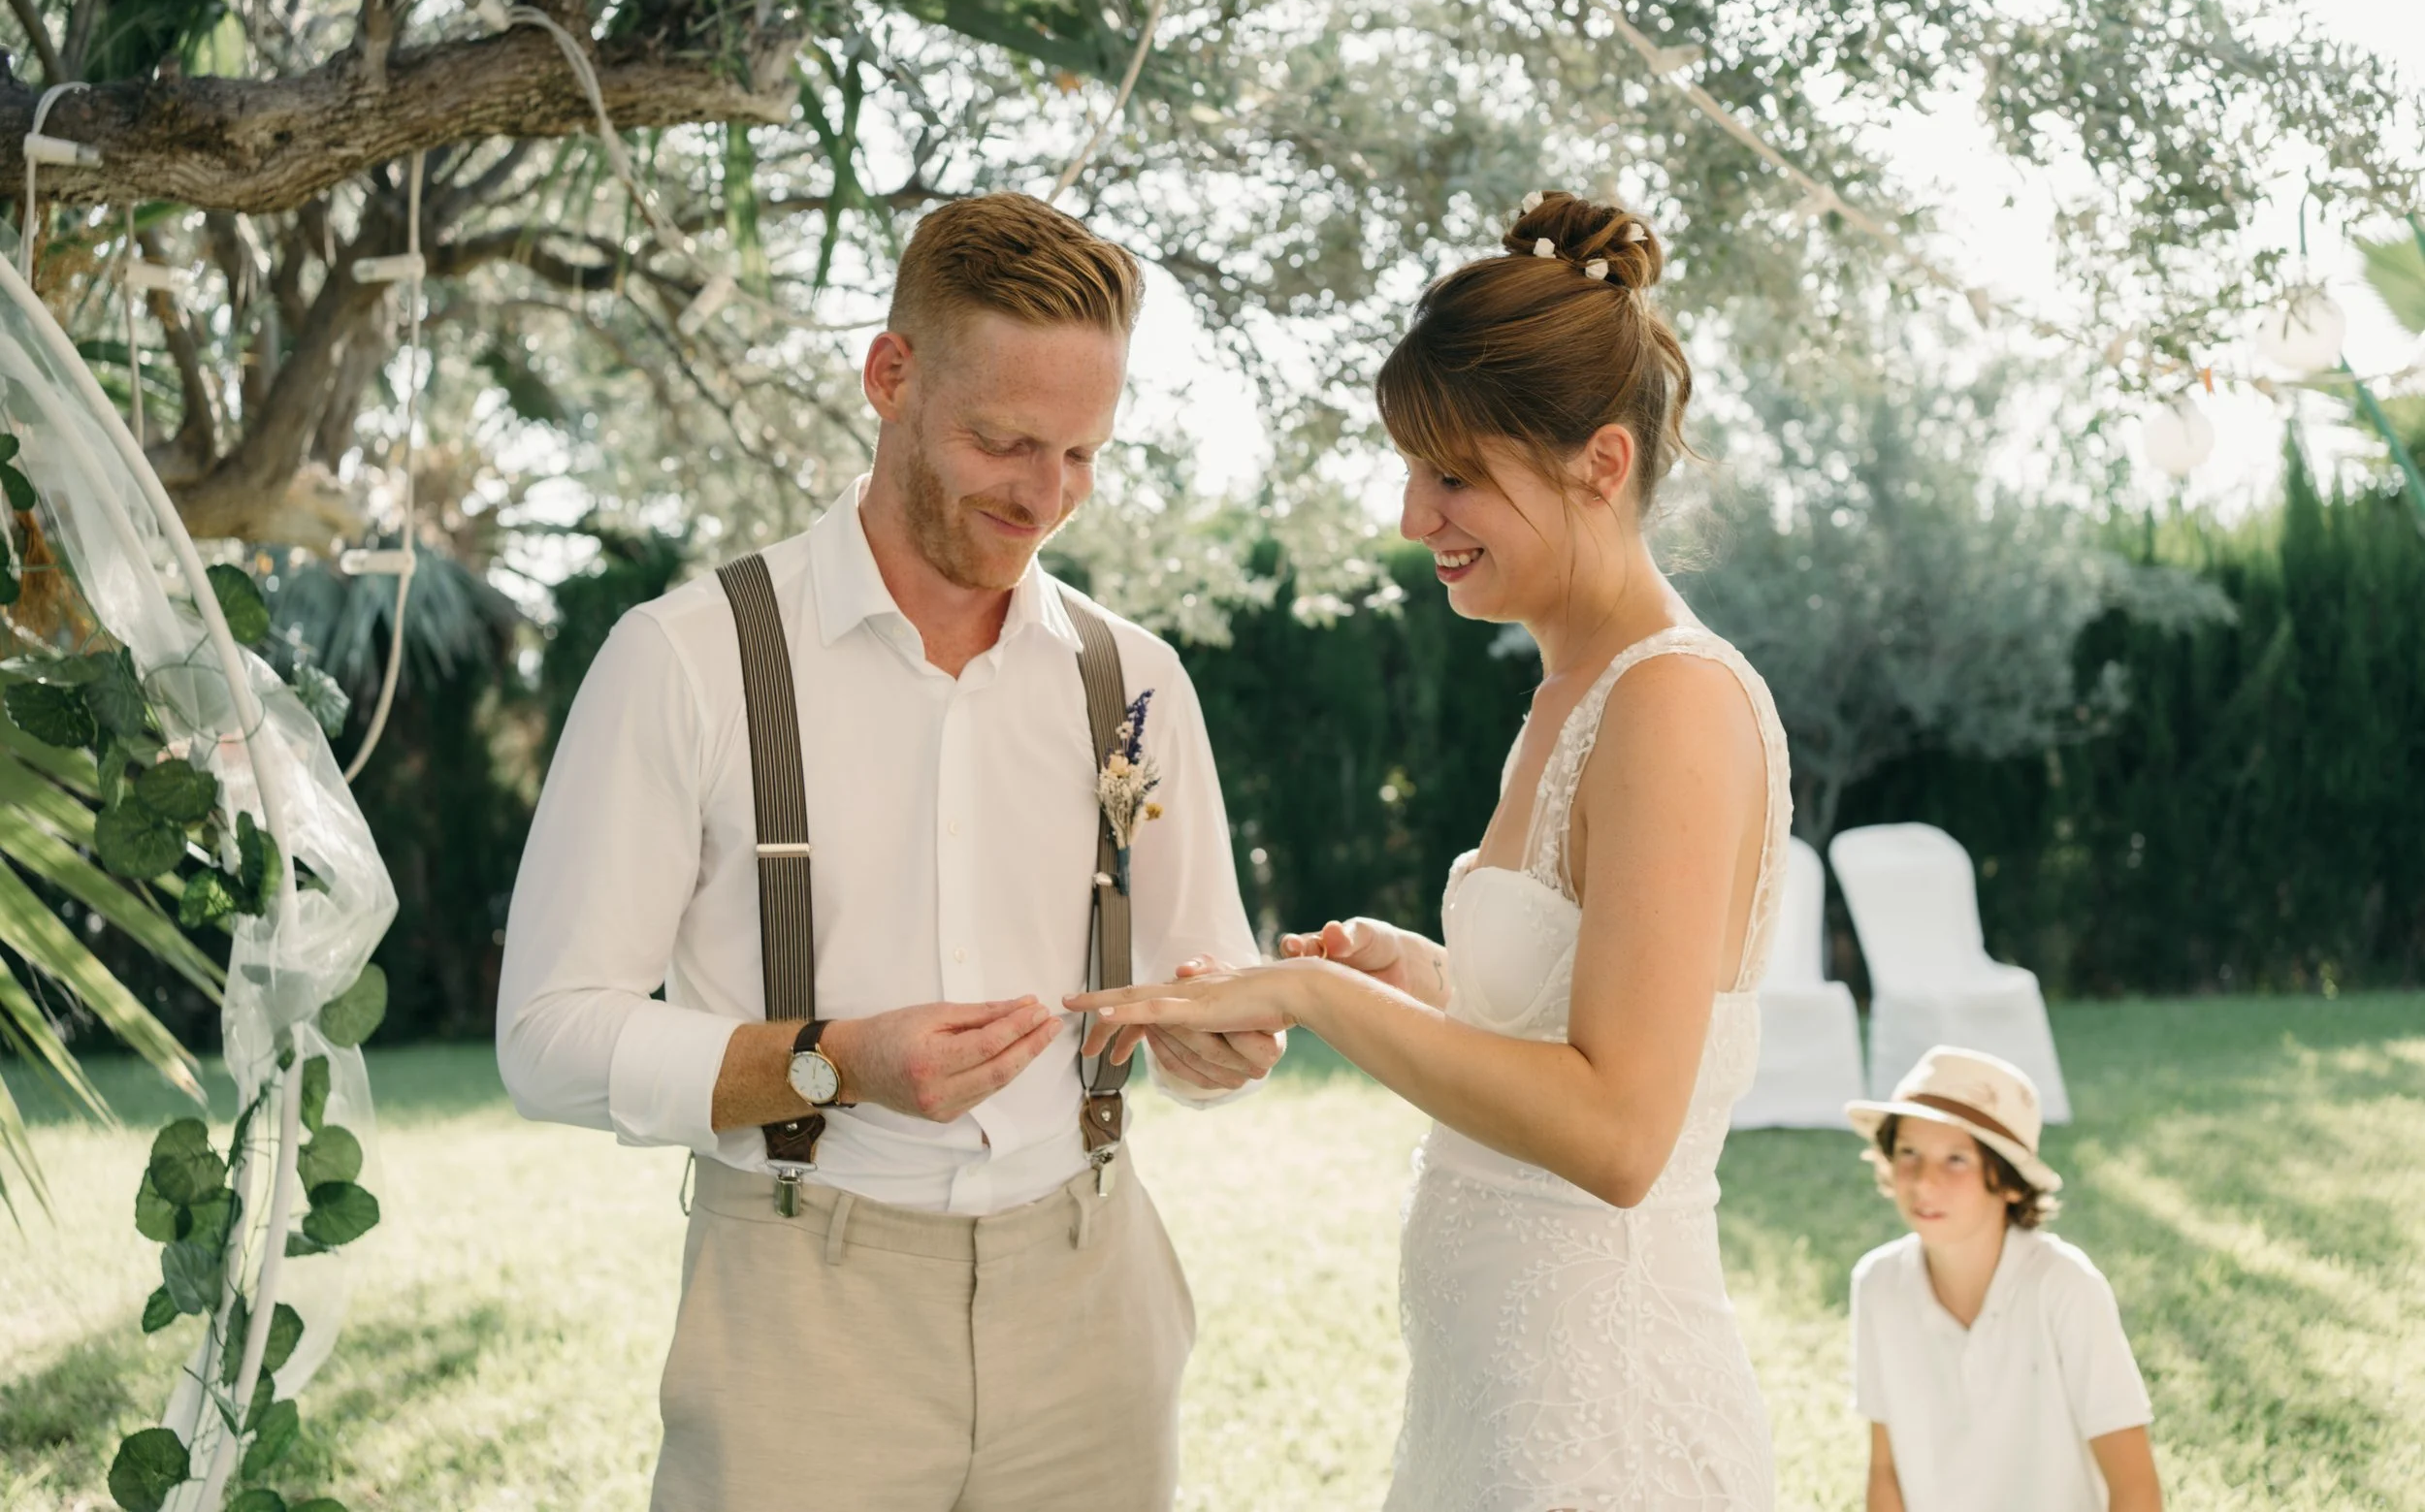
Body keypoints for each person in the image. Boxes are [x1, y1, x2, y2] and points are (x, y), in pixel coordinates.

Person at [496, 191, 1283, 1512]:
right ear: (889, 376)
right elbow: (547, 1036)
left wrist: (1220, 1042)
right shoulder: (684, 659)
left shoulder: (1135, 682)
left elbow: (1203, 978)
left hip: (1091, 1303)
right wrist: (834, 1060)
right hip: (804, 1316)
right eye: (1004, 441)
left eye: (1083, 453)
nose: (1045, 496)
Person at [1070, 189, 1782, 1509]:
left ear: (1601, 462)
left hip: (1604, 1433)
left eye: (1453, 475)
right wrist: (1432, 985)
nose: (1414, 516)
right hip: (1500, 1412)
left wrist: (1315, 994)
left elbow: (1621, 1131)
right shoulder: (1572, 693)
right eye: (1411, 470)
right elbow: (1580, 1029)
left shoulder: (1673, 702)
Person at [1845, 1046, 2162, 1512]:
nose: (1924, 1181)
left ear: (2011, 1181)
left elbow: (2135, 1487)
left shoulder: (2064, 1286)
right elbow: (1885, 1470)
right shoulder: (1878, 1284)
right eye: (1909, 1152)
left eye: (1956, 1159)